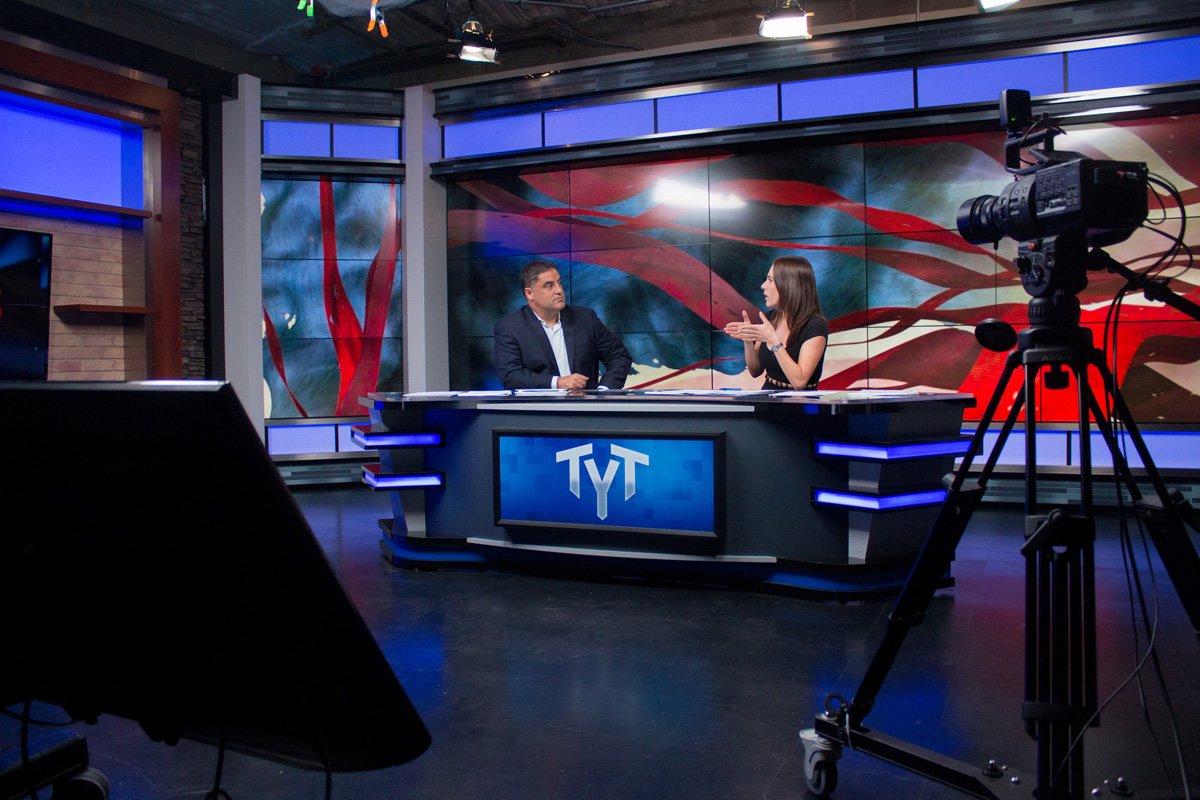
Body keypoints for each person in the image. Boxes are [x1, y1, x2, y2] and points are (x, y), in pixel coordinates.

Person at [494, 260, 632, 390]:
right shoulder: (510, 327)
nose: (559, 290)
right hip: (540, 406)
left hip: (585, 404)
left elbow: (619, 357)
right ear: (530, 293)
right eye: (549, 285)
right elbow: (511, 376)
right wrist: (558, 382)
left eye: (559, 283)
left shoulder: (586, 319)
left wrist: (603, 392)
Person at [723, 256, 827, 390]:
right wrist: (748, 339)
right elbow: (755, 371)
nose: (763, 286)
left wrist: (774, 341)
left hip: (800, 401)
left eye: (770, 280)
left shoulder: (815, 326)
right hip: (768, 397)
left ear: (789, 285)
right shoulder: (770, 318)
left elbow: (799, 382)